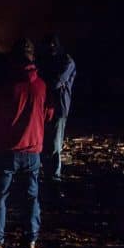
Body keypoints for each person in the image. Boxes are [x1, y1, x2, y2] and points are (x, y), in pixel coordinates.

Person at [0, 38, 53, 248]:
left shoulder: (2, 86)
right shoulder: (41, 86)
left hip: (5, 151)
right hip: (32, 152)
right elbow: (48, 115)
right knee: (31, 198)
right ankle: (31, 242)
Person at [37, 34, 76, 185]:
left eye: (53, 46)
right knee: (45, 144)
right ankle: (49, 177)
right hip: (46, 107)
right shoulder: (51, 61)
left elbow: (56, 82)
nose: (51, 49)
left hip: (58, 108)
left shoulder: (67, 61)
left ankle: (54, 180)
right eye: (49, 46)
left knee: (54, 146)